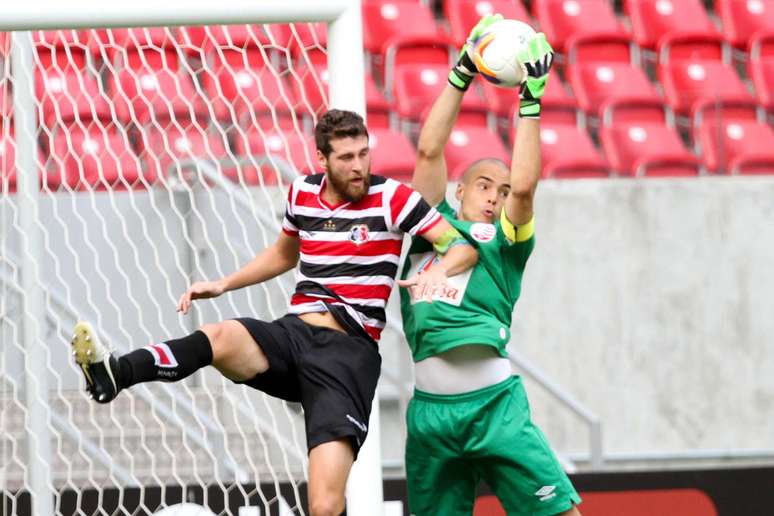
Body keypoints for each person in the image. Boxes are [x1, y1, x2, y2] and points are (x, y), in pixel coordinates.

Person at [71, 109, 478, 516]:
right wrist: (224, 283)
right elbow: (285, 254)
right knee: (218, 336)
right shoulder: (301, 192)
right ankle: (115, 374)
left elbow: (462, 247)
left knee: (323, 505)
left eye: (363, 154)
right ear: (322, 159)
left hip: (346, 356)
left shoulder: (393, 198)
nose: (358, 167)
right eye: (346, 158)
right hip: (293, 335)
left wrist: (438, 270)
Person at [399, 15, 582, 516]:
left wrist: (530, 102)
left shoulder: (507, 241)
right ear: (459, 191)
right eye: (484, 185)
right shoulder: (426, 223)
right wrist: (462, 70)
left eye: (500, 192)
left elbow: (525, 186)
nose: (495, 196)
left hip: (495, 408)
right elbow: (429, 147)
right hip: (430, 416)